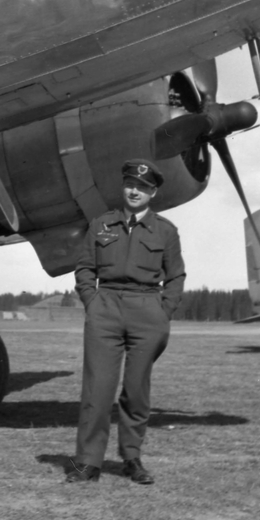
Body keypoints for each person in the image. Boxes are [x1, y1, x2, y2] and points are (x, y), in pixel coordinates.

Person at [67, 159, 185, 486]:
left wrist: (163, 312)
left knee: (136, 391)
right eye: (131, 184)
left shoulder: (165, 230)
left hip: (148, 310)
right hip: (105, 309)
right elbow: (84, 269)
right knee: (98, 390)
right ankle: (88, 463)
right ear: (124, 187)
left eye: (144, 187)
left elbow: (175, 276)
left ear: (154, 192)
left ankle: (132, 458)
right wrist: (93, 302)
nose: (136, 191)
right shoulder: (101, 225)